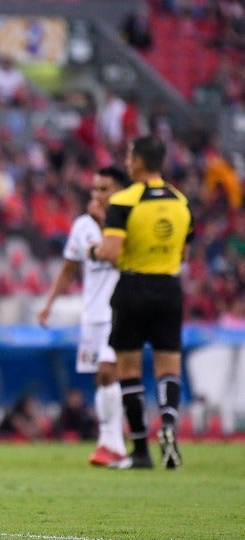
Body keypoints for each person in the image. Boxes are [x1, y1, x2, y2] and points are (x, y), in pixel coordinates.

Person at [92, 135, 194, 469]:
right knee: (168, 366)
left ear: (137, 161)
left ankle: (139, 451)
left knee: (129, 370)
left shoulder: (124, 201)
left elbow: (110, 252)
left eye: (128, 155)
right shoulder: (181, 201)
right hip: (169, 288)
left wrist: (92, 250)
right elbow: (183, 251)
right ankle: (167, 423)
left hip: (134, 288)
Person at [38, 166, 131, 466]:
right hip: (92, 313)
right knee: (101, 378)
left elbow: (120, 257)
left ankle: (115, 444)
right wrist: (49, 304)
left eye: (104, 189)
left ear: (119, 191)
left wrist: (105, 222)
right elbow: (69, 269)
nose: (97, 195)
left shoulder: (131, 220)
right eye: (95, 189)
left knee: (108, 370)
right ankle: (109, 442)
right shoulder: (81, 226)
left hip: (120, 309)